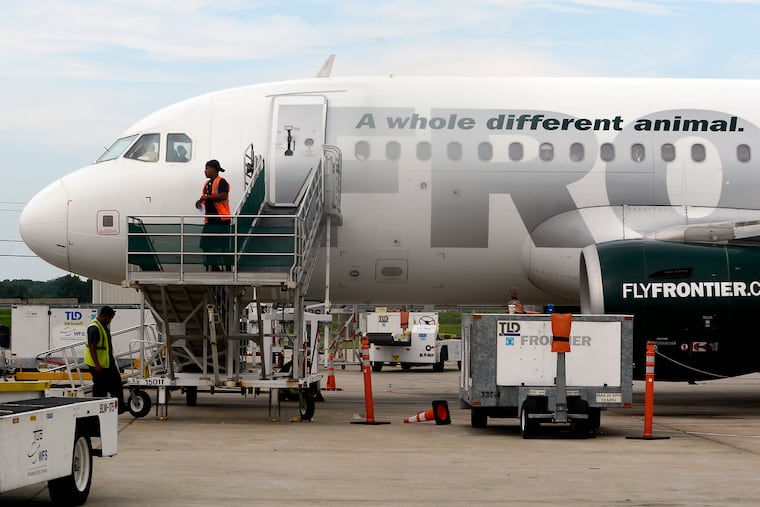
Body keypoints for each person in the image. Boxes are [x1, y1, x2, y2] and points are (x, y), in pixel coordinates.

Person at [85, 306, 127, 414]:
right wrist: (97, 365)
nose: (110, 321)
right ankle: (97, 409)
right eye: (109, 318)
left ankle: (119, 407)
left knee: (116, 383)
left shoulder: (103, 326)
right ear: (104, 316)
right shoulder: (94, 328)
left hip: (107, 362)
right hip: (98, 365)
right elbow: (92, 346)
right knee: (100, 387)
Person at [195, 159, 232, 271]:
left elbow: (223, 196)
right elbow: (206, 199)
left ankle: (228, 268)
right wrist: (200, 202)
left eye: (207, 168)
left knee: (223, 246)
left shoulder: (221, 181)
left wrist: (208, 197)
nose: (205, 171)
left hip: (221, 219)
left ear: (213, 169)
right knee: (206, 245)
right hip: (210, 220)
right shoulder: (207, 184)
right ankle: (215, 267)